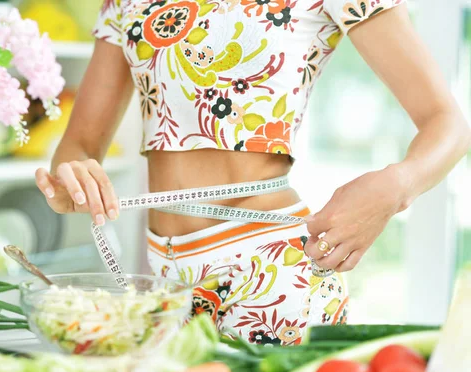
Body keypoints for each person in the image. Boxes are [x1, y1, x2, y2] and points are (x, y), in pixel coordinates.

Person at [35, 0, 471, 345]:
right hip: (161, 273)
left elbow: (447, 123)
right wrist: (73, 176)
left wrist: (395, 187)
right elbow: (80, 143)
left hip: (273, 269)